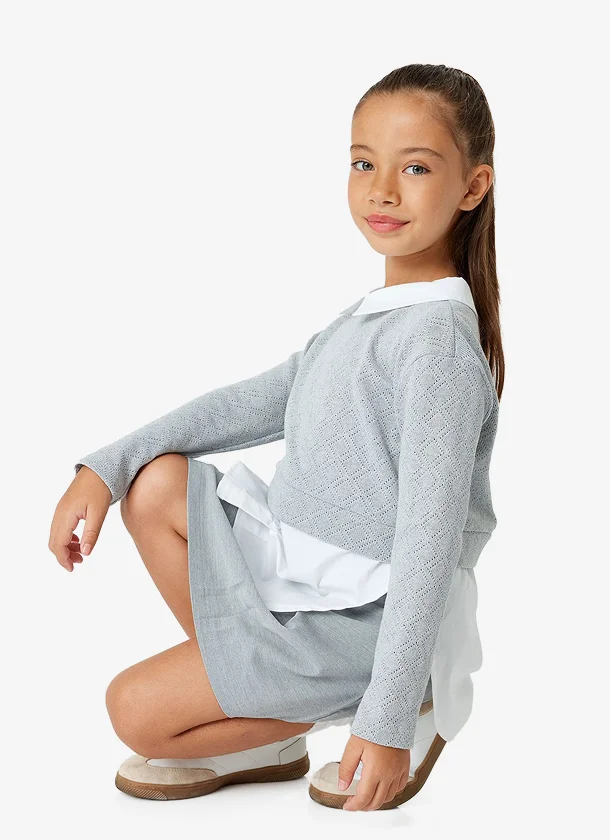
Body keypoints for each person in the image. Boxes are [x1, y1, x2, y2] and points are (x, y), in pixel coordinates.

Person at [48, 62, 503, 813]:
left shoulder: (437, 348)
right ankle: (262, 721)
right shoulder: (371, 318)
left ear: (472, 187)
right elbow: (255, 401)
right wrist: (105, 467)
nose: (382, 191)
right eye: (364, 163)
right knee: (153, 482)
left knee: (133, 710)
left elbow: (429, 542)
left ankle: (404, 696)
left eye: (416, 168)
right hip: (304, 576)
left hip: (368, 619)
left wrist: (387, 720)